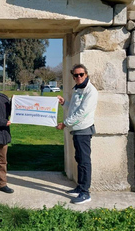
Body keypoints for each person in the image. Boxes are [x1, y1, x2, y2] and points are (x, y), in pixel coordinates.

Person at [56, 64, 98, 204]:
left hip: (83, 130)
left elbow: (82, 112)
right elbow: (74, 108)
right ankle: (80, 187)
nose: (78, 77)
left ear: (86, 75)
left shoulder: (90, 91)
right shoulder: (77, 89)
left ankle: (85, 193)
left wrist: (65, 124)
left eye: (81, 74)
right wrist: (64, 103)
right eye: (75, 75)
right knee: (79, 159)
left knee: (85, 161)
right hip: (77, 130)